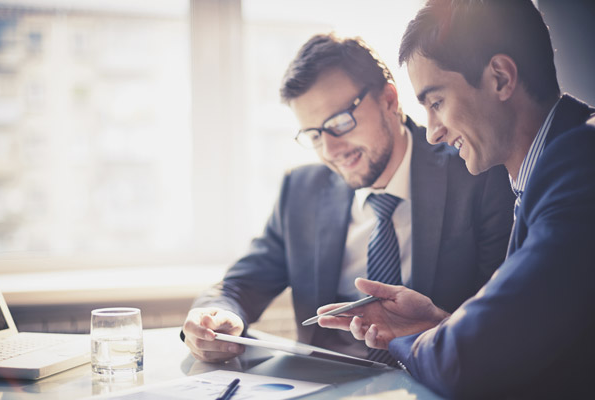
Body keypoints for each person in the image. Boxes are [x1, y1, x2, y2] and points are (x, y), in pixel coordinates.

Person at [181, 33, 515, 365]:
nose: (330, 150)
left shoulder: (475, 173)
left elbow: (500, 323)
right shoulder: (301, 190)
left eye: (340, 122)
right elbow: (240, 285)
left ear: (388, 100)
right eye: (314, 135)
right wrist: (213, 316)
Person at [316, 1, 595, 398]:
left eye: (436, 102)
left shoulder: (580, 165)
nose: (432, 133)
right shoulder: (550, 168)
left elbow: (464, 360)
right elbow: (523, 341)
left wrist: (410, 341)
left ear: (500, 77)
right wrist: (436, 324)